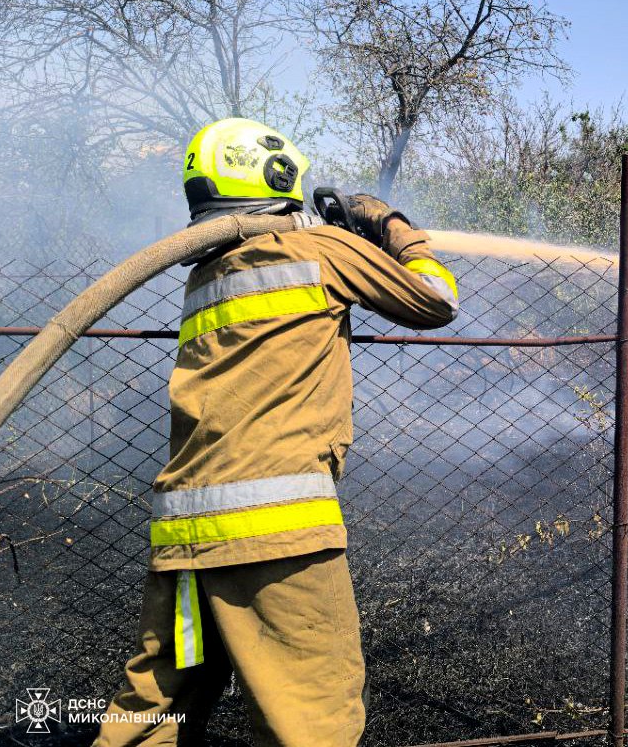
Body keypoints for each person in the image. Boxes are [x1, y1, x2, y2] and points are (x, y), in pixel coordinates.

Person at [95, 118, 458, 746]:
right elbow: (436, 300)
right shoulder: (323, 254)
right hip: (275, 535)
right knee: (312, 718)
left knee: (150, 719)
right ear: (281, 177)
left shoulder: (206, 280)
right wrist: (391, 226)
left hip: (184, 536)